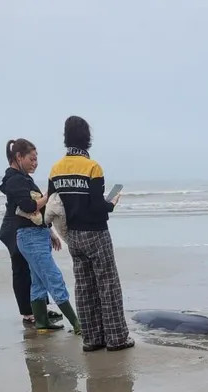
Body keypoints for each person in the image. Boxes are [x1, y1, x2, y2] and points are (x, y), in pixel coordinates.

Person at [48, 116, 132, 352]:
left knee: (84, 287)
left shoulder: (56, 169)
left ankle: (92, 339)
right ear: (87, 137)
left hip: (73, 234)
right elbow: (97, 205)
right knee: (108, 285)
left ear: (66, 137)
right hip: (95, 233)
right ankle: (116, 338)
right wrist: (111, 203)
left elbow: (55, 203)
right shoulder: (92, 167)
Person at [0, 139, 80, 334]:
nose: (35, 163)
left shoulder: (23, 177)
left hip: (35, 233)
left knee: (37, 280)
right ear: (18, 157)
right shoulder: (15, 180)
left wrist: (49, 231)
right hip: (27, 235)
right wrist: (50, 193)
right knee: (52, 276)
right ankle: (77, 324)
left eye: (37, 159)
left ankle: (41, 322)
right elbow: (29, 206)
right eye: (32, 159)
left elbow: (35, 213)